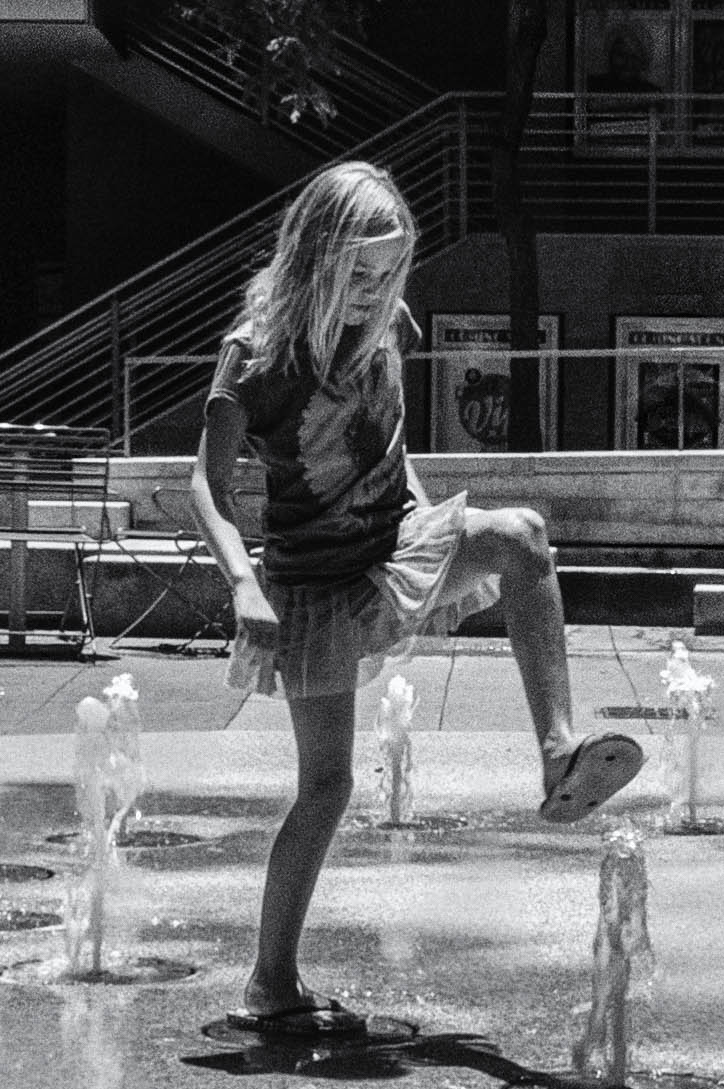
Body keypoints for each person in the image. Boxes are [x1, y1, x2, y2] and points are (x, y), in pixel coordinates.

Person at [191, 161, 644, 1035]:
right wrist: (242, 584)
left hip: (393, 542)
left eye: (388, 271)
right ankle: (270, 980)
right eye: (356, 272)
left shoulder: (388, 324)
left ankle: (557, 753)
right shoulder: (255, 356)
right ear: (312, 255)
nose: (372, 290)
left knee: (521, 537)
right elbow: (203, 486)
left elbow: (388, 446)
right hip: (312, 585)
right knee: (325, 788)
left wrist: (433, 556)